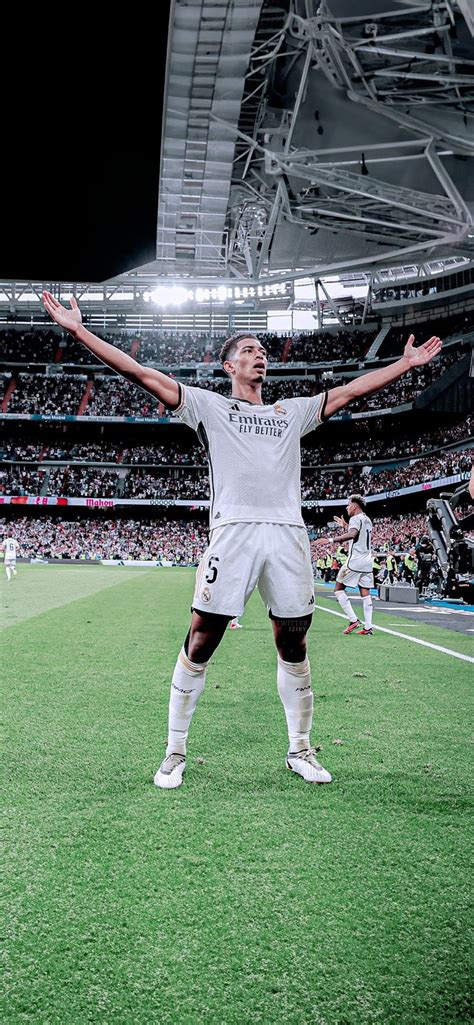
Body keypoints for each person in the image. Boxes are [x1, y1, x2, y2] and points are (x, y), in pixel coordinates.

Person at [41, 291, 442, 788]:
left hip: (287, 536)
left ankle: (300, 750)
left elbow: (350, 393)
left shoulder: (290, 412)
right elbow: (141, 374)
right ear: (230, 364)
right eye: (250, 349)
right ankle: (174, 751)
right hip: (232, 534)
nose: (260, 355)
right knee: (201, 639)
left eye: (263, 351)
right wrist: (79, 332)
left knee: (293, 642)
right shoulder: (207, 406)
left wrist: (404, 364)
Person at [329, 496, 374, 635]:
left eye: (348, 505)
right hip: (367, 561)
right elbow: (358, 533)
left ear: (355, 506)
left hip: (355, 561)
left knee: (338, 588)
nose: (346, 508)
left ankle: (353, 620)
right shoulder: (367, 519)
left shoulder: (355, 519)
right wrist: (345, 526)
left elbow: (353, 534)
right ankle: (368, 627)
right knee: (365, 593)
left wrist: (331, 539)